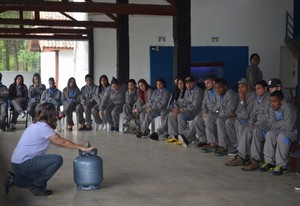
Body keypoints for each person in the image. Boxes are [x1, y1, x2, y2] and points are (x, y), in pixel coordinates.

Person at [4, 103, 93, 196]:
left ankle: (13, 179)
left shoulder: (37, 124)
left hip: (18, 162)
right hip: (23, 163)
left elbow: (57, 142)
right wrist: (80, 147)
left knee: (40, 182)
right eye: (55, 113)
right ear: (50, 115)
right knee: (56, 160)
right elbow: (62, 142)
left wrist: (78, 145)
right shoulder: (43, 127)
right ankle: (36, 186)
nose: (56, 114)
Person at [226, 80, 270, 169]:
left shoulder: (269, 99)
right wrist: (251, 123)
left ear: (265, 89)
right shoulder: (258, 98)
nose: (257, 91)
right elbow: (252, 114)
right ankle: (242, 156)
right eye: (256, 89)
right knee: (243, 126)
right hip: (256, 123)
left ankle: (254, 160)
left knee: (249, 129)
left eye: (259, 88)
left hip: (265, 125)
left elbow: (247, 114)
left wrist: (242, 100)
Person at [258, 91, 296, 175]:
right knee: (270, 133)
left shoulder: (288, 108)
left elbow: (288, 127)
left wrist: (279, 123)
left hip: (294, 131)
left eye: (274, 101)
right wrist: (283, 122)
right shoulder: (273, 108)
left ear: (281, 101)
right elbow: (272, 125)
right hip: (283, 130)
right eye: (271, 101)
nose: (272, 104)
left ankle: (282, 165)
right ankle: (269, 162)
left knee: (282, 136)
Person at [167, 76, 204, 147]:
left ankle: (184, 137)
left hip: (195, 112)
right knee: (172, 114)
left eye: (190, 83)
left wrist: (181, 110)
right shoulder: (187, 91)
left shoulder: (198, 91)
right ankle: (174, 135)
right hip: (187, 110)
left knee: (181, 115)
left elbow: (194, 106)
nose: (188, 85)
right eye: (186, 83)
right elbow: (184, 102)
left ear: (194, 83)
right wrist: (178, 109)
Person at [225, 78, 256, 155]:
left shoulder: (253, 96)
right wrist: (235, 113)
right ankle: (236, 145)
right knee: (229, 122)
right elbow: (239, 111)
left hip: (250, 119)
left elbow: (246, 114)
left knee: (238, 122)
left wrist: (242, 100)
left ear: (248, 87)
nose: (240, 89)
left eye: (242, 87)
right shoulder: (241, 95)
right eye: (239, 87)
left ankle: (241, 148)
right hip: (241, 117)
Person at [209, 78, 238, 156]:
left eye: (220, 87)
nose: (218, 90)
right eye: (216, 88)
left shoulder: (230, 93)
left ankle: (223, 146)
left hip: (234, 116)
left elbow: (230, 110)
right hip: (223, 114)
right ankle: (213, 143)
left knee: (219, 120)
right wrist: (218, 111)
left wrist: (219, 111)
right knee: (209, 117)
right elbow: (216, 108)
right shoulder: (219, 95)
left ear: (225, 87)